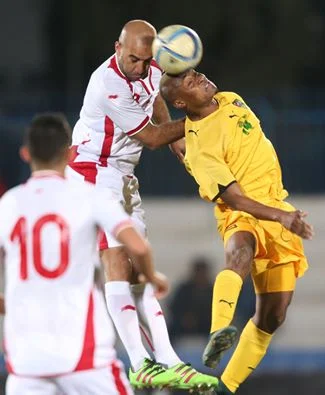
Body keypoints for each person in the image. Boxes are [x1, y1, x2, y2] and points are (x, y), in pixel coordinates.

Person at [67, 19, 218, 391]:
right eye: (132, 58)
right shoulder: (108, 83)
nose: (138, 66)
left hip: (121, 176)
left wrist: (180, 149)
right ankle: (138, 363)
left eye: (144, 60)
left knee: (140, 272)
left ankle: (169, 360)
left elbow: (156, 104)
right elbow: (150, 136)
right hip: (91, 171)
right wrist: (199, 118)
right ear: (117, 47)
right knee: (118, 261)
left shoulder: (152, 67)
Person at [160, 69, 314, 394]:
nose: (199, 77)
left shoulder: (230, 99)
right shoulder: (201, 149)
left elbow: (178, 143)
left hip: (276, 205)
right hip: (243, 211)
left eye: (195, 72)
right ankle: (219, 330)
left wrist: (281, 217)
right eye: (190, 82)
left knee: (273, 317)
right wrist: (282, 218)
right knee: (240, 253)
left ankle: (225, 387)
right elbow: (235, 199)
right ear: (180, 101)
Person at [0, 113, 176, 394]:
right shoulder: (88, 196)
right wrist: (151, 275)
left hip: (25, 357)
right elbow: (138, 245)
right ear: (69, 151)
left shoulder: (8, 204)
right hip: (82, 351)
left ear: (25, 153)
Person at [169, 256, 213, 341]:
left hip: (206, 323)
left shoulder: (213, 290)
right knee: (173, 327)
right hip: (184, 323)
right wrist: (184, 317)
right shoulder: (184, 289)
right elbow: (173, 306)